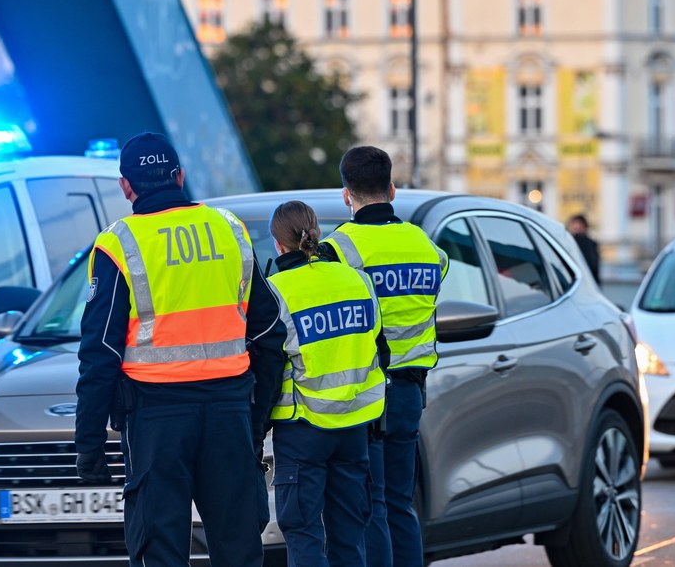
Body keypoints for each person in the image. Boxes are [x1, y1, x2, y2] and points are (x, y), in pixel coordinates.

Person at [74, 132, 286, 567]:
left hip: (156, 420)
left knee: (160, 549)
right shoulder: (229, 229)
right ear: (180, 176)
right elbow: (268, 334)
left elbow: (100, 353)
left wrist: (90, 442)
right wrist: (256, 420)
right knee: (238, 547)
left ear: (126, 186)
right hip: (228, 412)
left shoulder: (118, 244)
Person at [320, 146, 448, 567]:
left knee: (370, 506)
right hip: (410, 393)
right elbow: (441, 269)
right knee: (399, 504)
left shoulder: (338, 249)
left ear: (346, 194)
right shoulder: (424, 245)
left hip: (366, 394)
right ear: (392, 189)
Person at [266, 200, 388, 567]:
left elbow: (269, 371)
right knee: (349, 538)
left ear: (279, 244)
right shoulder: (358, 281)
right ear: (315, 233)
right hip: (355, 428)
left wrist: (255, 431)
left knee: (304, 535)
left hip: (303, 430)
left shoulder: (275, 292)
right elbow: (379, 349)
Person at [568, 214, 601, 283]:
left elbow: (593, 265)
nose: (575, 227)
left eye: (578, 225)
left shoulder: (589, 244)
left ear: (584, 227)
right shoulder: (569, 242)